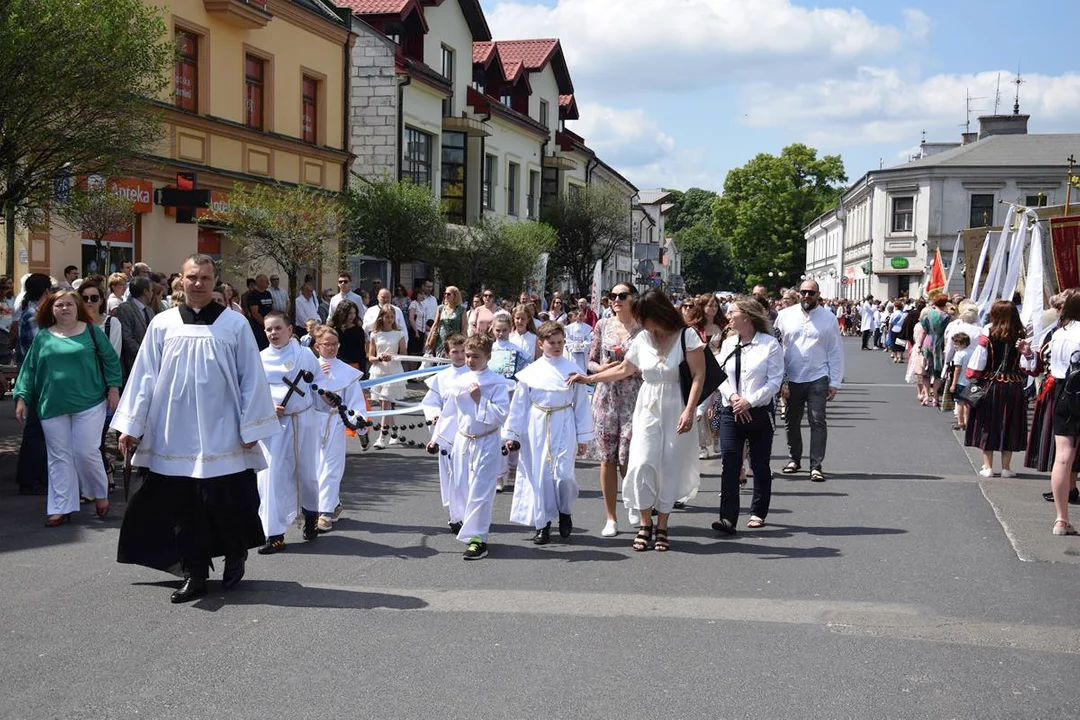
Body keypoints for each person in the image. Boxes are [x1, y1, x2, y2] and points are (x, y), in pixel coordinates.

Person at [113, 254, 279, 604]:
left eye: (205, 277)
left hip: (225, 430)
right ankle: (195, 573)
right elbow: (144, 376)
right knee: (182, 505)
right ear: (181, 281)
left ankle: (236, 554)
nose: (198, 283)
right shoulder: (163, 324)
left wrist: (252, 425)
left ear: (215, 281)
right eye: (192, 277)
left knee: (227, 501)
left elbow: (251, 378)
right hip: (174, 431)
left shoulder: (234, 325)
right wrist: (131, 425)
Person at [571, 290, 705, 553]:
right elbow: (624, 369)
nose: (642, 324)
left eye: (645, 318)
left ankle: (662, 525)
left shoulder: (687, 336)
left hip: (675, 403)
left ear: (658, 314)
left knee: (668, 464)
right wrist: (590, 379)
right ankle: (645, 523)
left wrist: (689, 410)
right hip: (647, 404)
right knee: (641, 462)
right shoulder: (643, 338)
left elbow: (699, 375)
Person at [14, 290, 122, 525]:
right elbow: (29, 369)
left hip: (90, 402)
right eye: (59, 305)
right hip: (52, 405)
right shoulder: (43, 337)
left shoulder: (91, 331)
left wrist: (113, 389)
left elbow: (111, 360)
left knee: (86, 451)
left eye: (70, 304)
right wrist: (22, 397)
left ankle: (99, 493)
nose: (65, 308)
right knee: (58, 457)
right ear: (51, 310)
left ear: (78, 308)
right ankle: (61, 507)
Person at [505, 321, 594, 544]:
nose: (556, 346)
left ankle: (565, 511)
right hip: (536, 424)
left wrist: (583, 437)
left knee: (563, 475)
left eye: (560, 342)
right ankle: (542, 523)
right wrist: (512, 434)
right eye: (551, 343)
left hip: (564, 423)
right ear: (541, 344)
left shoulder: (573, 369)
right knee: (540, 475)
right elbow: (519, 405)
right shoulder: (531, 372)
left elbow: (581, 404)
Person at [432, 333, 511, 560]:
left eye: (475, 356)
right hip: (463, 441)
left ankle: (479, 540)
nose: (469, 361)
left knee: (480, 491)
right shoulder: (459, 381)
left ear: (487, 356)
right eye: (467, 356)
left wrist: (479, 399)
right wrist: (438, 437)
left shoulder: (496, 383)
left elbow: (501, 415)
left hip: (486, 440)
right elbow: (450, 413)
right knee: (462, 488)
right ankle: (468, 529)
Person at [712, 298, 783, 532]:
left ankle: (758, 511)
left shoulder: (770, 345)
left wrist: (749, 401)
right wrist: (733, 398)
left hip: (758, 412)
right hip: (731, 412)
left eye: (733, 312)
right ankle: (728, 518)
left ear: (747, 317)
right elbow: (720, 376)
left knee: (760, 463)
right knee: (730, 462)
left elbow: (774, 382)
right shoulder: (729, 343)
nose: (728, 316)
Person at [255, 311, 322, 554]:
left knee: (307, 473)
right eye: (268, 329)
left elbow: (318, 384)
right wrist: (268, 407)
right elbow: (252, 392)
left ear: (289, 330)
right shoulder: (259, 359)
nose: (273, 333)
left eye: (277, 328)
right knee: (271, 475)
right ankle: (274, 534)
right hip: (274, 426)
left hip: (303, 420)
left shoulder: (305, 355)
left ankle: (311, 513)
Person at [586, 283, 643, 537]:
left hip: (634, 395)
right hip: (606, 396)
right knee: (607, 457)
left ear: (633, 298)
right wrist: (601, 368)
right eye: (612, 296)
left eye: (622, 296)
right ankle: (611, 517)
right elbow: (591, 360)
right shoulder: (603, 325)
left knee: (628, 456)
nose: (616, 300)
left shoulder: (643, 327)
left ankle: (632, 501)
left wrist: (634, 368)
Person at [775, 279, 844, 482]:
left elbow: (835, 351)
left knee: (817, 420)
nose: (807, 296)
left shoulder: (828, 318)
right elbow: (777, 348)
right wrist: (780, 380)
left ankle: (816, 465)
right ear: (798, 293)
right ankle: (794, 459)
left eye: (811, 293)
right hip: (792, 378)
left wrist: (835, 382)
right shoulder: (784, 316)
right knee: (791, 421)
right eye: (804, 292)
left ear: (818, 295)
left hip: (818, 376)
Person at [1024, 292, 1080, 535]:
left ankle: (1061, 519)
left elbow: (1043, 365)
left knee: (1063, 458)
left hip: (1061, 392)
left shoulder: (1058, 334)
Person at [964, 300, 1030, 478]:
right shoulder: (1021, 334)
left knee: (988, 423)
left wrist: (972, 376)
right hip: (1014, 386)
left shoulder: (988, 332)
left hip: (991, 385)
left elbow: (978, 362)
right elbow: (1026, 366)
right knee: (1010, 423)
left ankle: (988, 467)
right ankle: (1006, 468)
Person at [311, 325, 367, 532]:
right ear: (317, 346)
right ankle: (331, 504)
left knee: (332, 466)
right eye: (327, 344)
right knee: (315, 466)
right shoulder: (311, 367)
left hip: (335, 421)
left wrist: (359, 419)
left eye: (335, 344)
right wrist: (316, 377)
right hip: (312, 422)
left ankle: (324, 512)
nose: (332, 348)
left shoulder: (345, 371)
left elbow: (355, 400)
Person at [421, 333, 470, 532]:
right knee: (450, 473)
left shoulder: (476, 374)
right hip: (447, 433)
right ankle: (454, 514)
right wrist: (434, 415)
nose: (459, 356)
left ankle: (468, 513)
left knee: (466, 474)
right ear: (447, 353)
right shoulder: (441, 378)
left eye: (463, 351)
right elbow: (430, 403)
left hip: (469, 433)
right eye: (454, 352)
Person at [367, 305, 407, 449]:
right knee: (386, 403)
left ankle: (382, 437)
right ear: (381, 317)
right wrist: (379, 358)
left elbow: (404, 354)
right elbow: (370, 356)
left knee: (386, 402)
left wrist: (392, 357)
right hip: (379, 371)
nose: (389, 319)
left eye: (392, 317)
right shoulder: (375, 334)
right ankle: (395, 433)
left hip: (394, 371)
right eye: (387, 317)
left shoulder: (399, 334)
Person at [113, 276, 155, 384]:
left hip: (149, 364)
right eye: (151, 290)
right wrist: (142, 354)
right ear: (145, 291)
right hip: (132, 364)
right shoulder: (125, 309)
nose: (152, 293)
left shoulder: (149, 311)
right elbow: (126, 337)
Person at [921, 294, 952, 406]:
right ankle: (935, 398)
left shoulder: (928, 314)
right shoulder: (947, 317)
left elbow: (923, 330)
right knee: (937, 372)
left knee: (926, 371)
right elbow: (948, 333)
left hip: (928, 342)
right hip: (939, 344)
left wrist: (919, 345)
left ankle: (926, 396)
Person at [329, 299, 369, 378]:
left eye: (354, 313)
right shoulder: (334, 329)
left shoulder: (358, 330)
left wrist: (362, 370)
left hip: (353, 366)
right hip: (336, 365)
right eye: (350, 313)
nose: (352, 316)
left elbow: (361, 352)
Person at [426, 285, 466, 357]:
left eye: (448, 294)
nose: (446, 296)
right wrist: (428, 340)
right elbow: (435, 325)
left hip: (455, 342)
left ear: (455, 296)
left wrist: (463, 343)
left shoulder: (462, 310)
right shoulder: (441, 308)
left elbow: (464, 328)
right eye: (445, 294)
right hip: (441, 341)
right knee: (439, 362)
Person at [950, 333, 973, 431]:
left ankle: (960, 422)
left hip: (961, 382)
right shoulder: (972, 352)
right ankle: (968, 422)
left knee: (959, 403)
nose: (955, 346)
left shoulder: (959, 355)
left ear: (963, 344)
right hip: (971, 382)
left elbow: (957, 370)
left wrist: (953, 384)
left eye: (956, 344)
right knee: (968, 404)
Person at [245, 274, 273, 350]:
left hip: (270, 326)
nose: (268, 283)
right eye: (266, 281)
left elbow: (271, 308)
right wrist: (266, 325)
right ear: (260, 282)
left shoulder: (268, 294)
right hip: (259, 329)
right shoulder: (253, 295)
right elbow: (255, 314)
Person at [563, 309, 593, 374]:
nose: (580, 317)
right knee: (572, 367)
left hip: (583, 353)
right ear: (576, 316)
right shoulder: (569, 328)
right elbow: (568, 339)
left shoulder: (588, 328)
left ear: (584, 316)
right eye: (579, 316)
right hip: (572, 352)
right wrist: (573, 346)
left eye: (582, 316)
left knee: (581, 369)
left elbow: (588, 339)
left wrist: (583, 346)